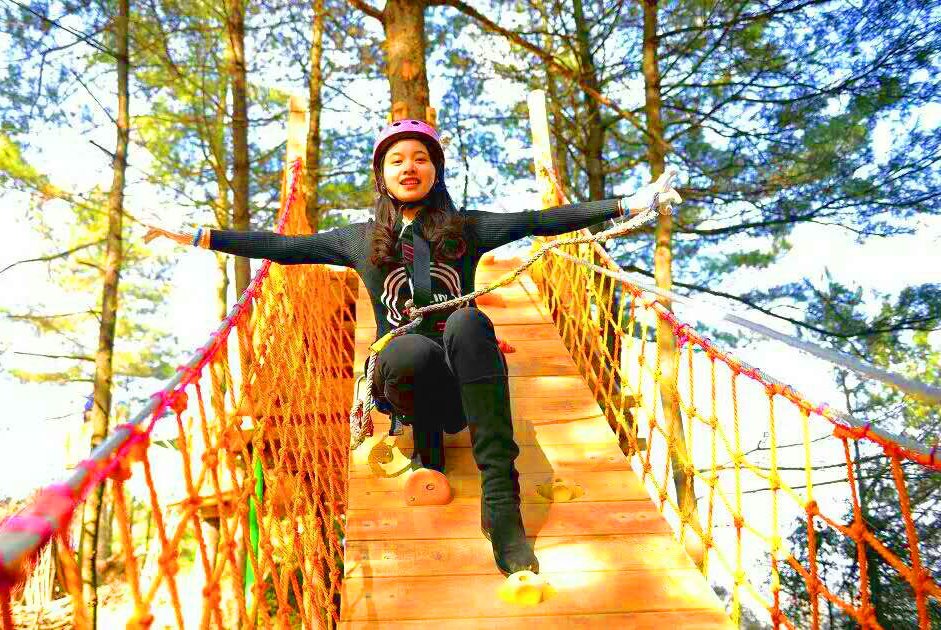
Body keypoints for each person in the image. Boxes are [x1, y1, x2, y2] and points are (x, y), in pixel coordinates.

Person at [144, 119, 681, 576]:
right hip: (401, 380)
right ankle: (425, 442)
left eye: (421, 159)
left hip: (461, 378)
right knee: (407, 351)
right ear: (381, 175)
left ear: (435, 172)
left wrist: (625, 204)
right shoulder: (358, 239)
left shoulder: (466, 229)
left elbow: (537, 221)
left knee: (469, 320)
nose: (409, 167)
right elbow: (284, 246)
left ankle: (501, 500)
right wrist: (197, 235)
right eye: (397, 160)